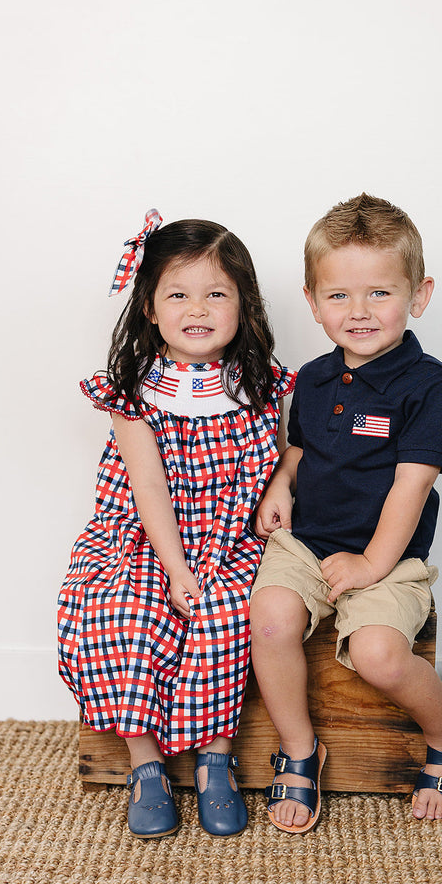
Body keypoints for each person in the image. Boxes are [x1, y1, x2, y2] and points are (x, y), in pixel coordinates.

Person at [58, 209, 296, 839]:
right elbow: (149, 493)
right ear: (150, 307)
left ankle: (215, 761)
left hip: (230, 535)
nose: (199, 308)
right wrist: (174, 569)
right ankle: (147, 767)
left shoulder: (259, 384)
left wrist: (279, 490)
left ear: (244, 306)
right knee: (125, 615)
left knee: (225, 618)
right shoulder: (135, 393)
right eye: (179, 293)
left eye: (217, 293)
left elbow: (277, 455)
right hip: (146, 537)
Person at [250, 192, 442, 834]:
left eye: (380, 293)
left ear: (420, 294)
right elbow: (301, 449)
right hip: (309, 542)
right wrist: (279, 485)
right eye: (338, 296)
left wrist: (372, 564)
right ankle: (300, 748)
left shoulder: (432, 386)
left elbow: (411, 488)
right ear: (311, 300)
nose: (358, 313)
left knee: (379, 654)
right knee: (268, 621)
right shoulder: (315, 378)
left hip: (389, 553)